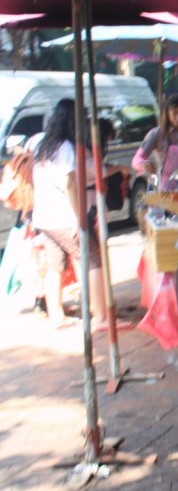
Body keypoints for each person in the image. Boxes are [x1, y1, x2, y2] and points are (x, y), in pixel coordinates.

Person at [30, 99, 105, 328]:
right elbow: (70, 184)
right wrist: (78, 217)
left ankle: (56, 316)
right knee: (93, 259)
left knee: (55, 265)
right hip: (63, 217)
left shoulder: (41, 143)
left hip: (43, 217)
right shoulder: (66, 148)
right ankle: (100, 315)